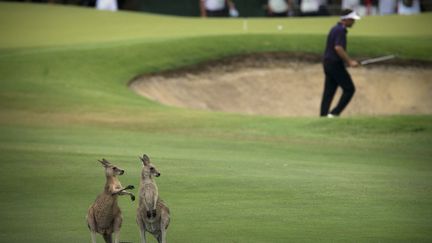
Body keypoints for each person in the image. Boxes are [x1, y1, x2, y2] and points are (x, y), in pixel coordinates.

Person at [320, 9, 360, 117]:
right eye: (352, 20)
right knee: (349, 89)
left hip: (328, 63)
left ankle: (323, 116)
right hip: (334, 64)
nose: (353, 22)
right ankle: (334, 114)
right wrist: (350, 62)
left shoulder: (335, 28)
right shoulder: (340, 30)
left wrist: (347, 62)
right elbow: (338, 48)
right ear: (345, 19)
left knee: (329, 92)